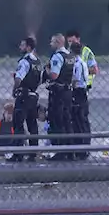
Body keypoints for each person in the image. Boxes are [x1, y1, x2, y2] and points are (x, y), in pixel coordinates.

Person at [9, 36, 42, 162]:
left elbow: (19, 78)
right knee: (32, 124)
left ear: (28, 47)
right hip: (33, 96)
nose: (20, 47)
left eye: (22, 45)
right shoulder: (38, 62)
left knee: (18, 124)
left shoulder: (24, 61)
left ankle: (18, 154)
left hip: (23, 96)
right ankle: (33, 153)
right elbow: (39, 79)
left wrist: (14, 90)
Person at [45, 33, 77, 161]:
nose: (50, 44)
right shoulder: (71, 56)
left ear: (58, 42)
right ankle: (70, 151)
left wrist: (47, 69)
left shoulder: (57, 57)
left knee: (57, 121)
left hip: (58, 92)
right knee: (67, 121)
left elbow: (54, 75)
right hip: (68, 91)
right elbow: (74, 77)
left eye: (52, 42)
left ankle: (60, 150)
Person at [68, 40, 90, 160]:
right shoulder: (82, 62)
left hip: (78, 92)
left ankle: (81, 148)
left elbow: (75, 79)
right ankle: (82, 148)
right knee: (80, 120)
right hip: (82, 91)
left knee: (78, 120)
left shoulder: (77, 64)